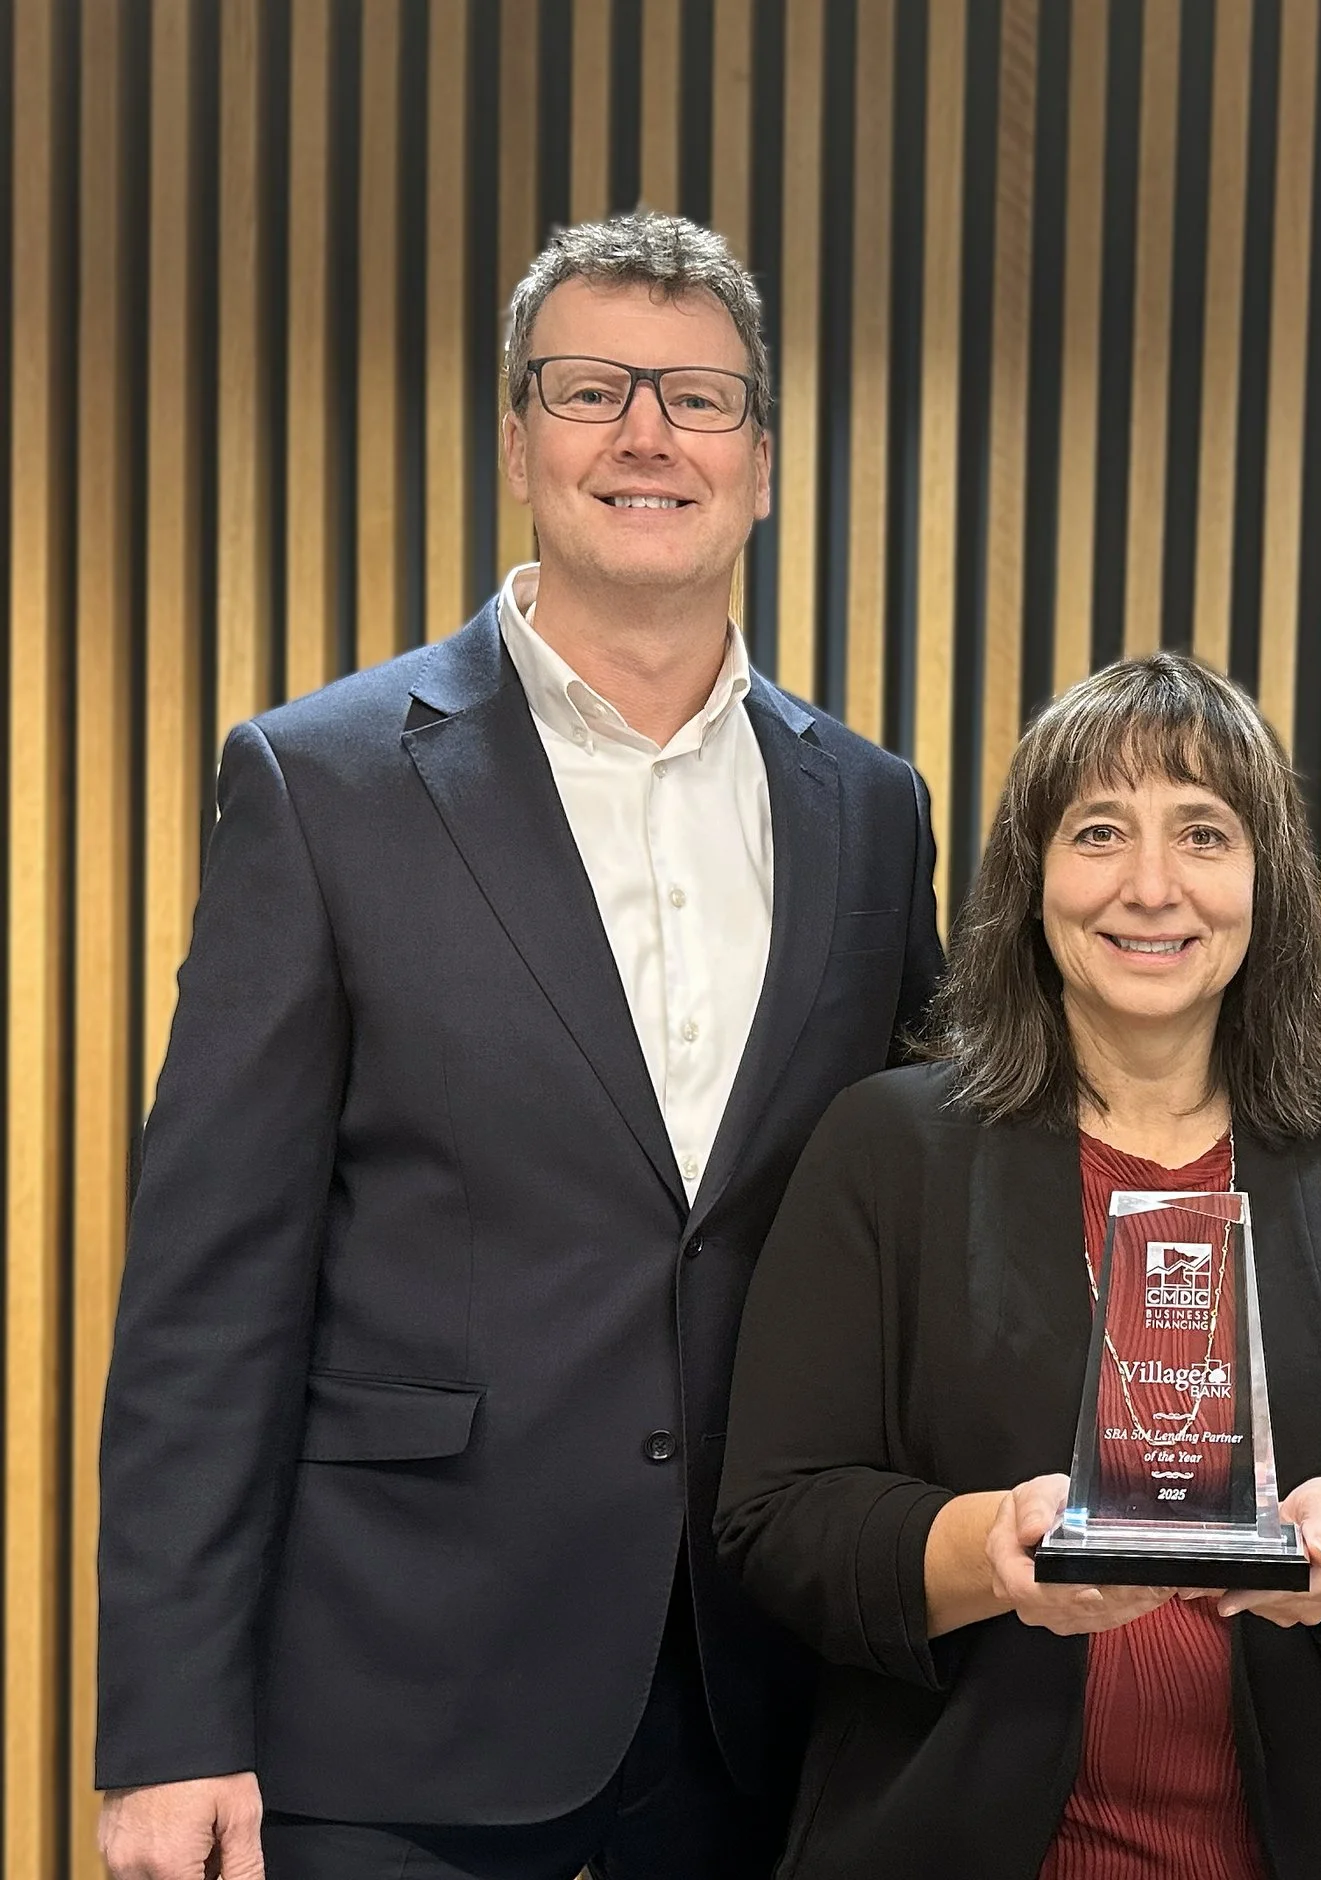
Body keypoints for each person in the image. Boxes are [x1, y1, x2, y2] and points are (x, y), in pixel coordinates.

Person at [95, 211, 941, 1880]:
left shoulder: (871, 812)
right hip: (399, 1713)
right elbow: (207, 1294)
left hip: (763, 1707)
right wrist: (171, 1730)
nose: (647, 435)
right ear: (515, 442)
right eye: (590, 389)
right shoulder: (321, 783)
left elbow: (908, 1226)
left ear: (761, 463)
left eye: (700, 400)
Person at [716, 652, 1321, 1879]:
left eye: (1203, 832)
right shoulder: (889, 1145)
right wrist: (989, 1547)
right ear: (1030, 881)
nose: (1150, 886)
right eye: (1099, 832)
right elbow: (778, 1515)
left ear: (1264, 882)